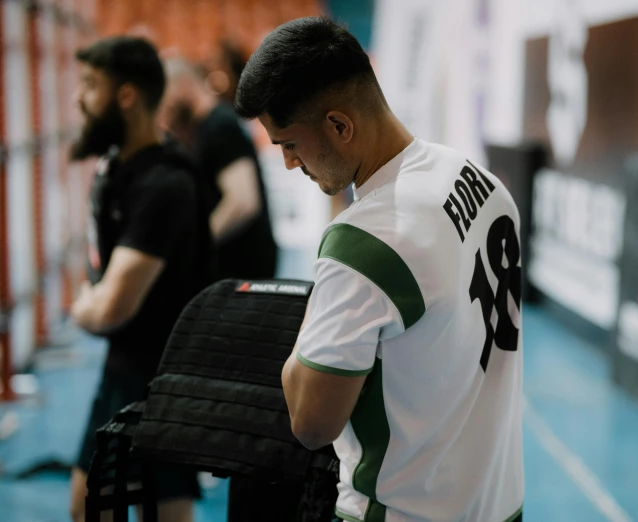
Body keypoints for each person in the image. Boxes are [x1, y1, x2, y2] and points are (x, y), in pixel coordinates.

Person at [235, 17, 525, 522]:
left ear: (340, 126)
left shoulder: (364, 244)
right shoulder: (478, 179)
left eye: (289, 144)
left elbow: (311, 423)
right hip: (496, 505)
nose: (288, 163)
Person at [68, 36, 211, 522]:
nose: (78, 99)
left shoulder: (165, 184)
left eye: (90, 85)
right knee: (93, 503)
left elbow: (110, 308)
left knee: (146, 507)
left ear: (126, 95)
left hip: (159, 376)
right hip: (126, 365)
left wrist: (80, 304)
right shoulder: (118, 164)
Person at [160, 57, 277, 280]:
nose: (164, 109)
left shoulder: (219, 125)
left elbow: (243, 202)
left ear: (184, 86)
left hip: (243, 270)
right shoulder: (204, 128)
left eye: (167, 97)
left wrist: (197, 245)